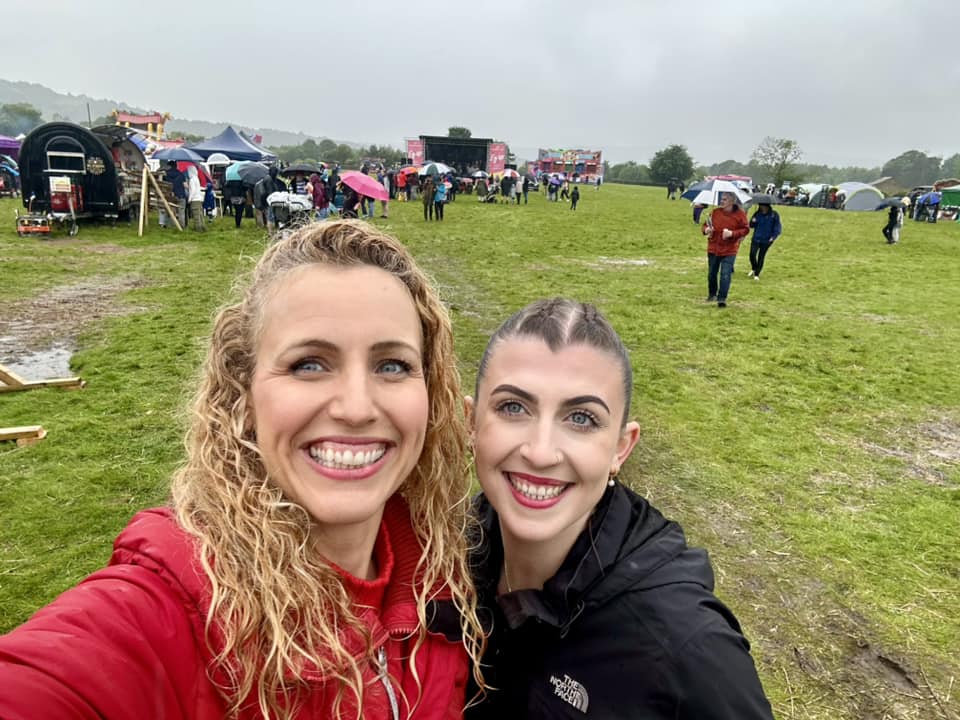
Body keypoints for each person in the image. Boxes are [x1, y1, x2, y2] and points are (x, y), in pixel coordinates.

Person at [0, 220, 488, 720]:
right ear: (244, 394)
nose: (357, 407)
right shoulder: (176, 604)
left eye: (392, 365)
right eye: (309, 364)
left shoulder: (440, 571)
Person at [463, 298, 774, 720]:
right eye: (513, 408)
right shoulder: (441, 563)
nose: (539, 452)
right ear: (471, 422)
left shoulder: (686, 647)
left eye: (581, 419)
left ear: (620, 448)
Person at [702, 192, 749, 308]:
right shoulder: (715, 212)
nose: (721, 201)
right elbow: (705, 226)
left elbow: (745, 229)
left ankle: (722, 298)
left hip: (730, 250)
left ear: (732, 201)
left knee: (725, 274)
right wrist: (707, 230)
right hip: (713, 247)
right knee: (712, 273)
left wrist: (732, 233)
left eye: (725, 199)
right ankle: (712, 294)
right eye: (721, 199)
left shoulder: (740, 214)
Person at [747, 202, 782, 280]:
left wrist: (773, 237)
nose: (762, 207)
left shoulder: (774, 215)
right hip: (756, 238)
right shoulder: (757, 214)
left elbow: (777, 227)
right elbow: (751, 225)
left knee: (761, 256)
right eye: (760, 206)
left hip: (767, 240)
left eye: (763, 206)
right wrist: (753, 221)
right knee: (752, 254)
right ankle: (754, 268)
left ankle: (757, 274)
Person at [255, 166, 287, 233]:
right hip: (270, 199)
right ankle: (271, 231)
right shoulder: (269, 179)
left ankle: (271, 229)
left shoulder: (267, 178)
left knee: (270, 215)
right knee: (270, 215)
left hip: (267, 199)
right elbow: (270, 191)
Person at [163, 160, 187, 229]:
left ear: (169, 166)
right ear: (176, 166)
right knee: (181, 211)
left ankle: (171, 226)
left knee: (171, 211)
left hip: (171, 195)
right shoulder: (181, 174)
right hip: (181, 195)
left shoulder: (165, 174)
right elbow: (185, 185)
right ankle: (181, 226)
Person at [187, 165, 206, 232]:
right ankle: (203, 227)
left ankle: (198, 229)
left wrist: (189, 199)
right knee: (200, 214)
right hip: (199, 198)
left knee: (196, 215)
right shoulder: (196, 178)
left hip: (194, 199)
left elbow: (193, 191)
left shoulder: (192, 180)